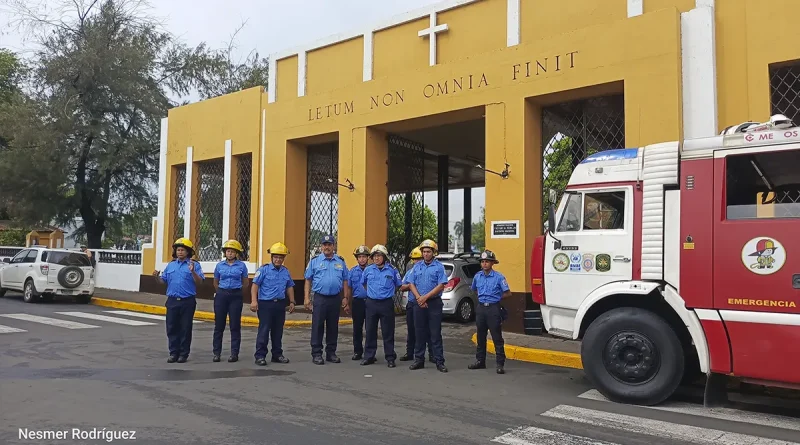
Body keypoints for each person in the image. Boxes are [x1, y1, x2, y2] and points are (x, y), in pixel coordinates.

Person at [152, 238, 204, 363]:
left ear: (188, 252)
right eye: (178, 250)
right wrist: (155, 277)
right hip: (172, 301)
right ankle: (173, 353)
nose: (180, 252)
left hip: (187, 301)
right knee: (171, 327)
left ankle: (183, 354)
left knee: (185, 328)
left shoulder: (194, 265)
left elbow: (200, 282)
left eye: (183, 250)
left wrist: (192, 272)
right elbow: (162, 281)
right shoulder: (171, 265)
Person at [304, 234, 350, 365]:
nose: (327, 247)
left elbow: (345, 280)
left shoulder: (340, 261)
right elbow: (308, 280)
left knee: (333, 326)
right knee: (317, 326)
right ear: (321, 246)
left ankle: (331, 353)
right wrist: (307, 298)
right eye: (325, 245)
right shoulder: (314, 261)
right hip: (320, 298)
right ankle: (317, 353)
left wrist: (345, 297)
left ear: (334, 246)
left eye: (329, 244)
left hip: (335, 298)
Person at [407, 239, 449, 372]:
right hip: (419, 303)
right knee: (419, 332)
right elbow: (411, 283)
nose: (425, 254)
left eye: (428, 252)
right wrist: (419, 298)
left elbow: (441, 285)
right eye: (424, 252)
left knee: (435, 333)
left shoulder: (439, 267)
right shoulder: (417, 267)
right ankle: (419, 360)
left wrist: (426, 297)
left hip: (434, 303)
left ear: (434, 253)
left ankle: (439, 361)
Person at [251, 242, 296, 366]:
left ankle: (277, 354)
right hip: (265, 304)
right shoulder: (263, 270)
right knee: (264, 330)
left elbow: (290, 286)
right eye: (276, 257)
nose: (278, 259)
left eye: (281, 257)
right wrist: (254, 301)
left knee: (278, 331)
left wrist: (292, 301)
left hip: (280, 304)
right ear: (271, 257)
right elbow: (255, 286)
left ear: (283, 259)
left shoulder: (285, 271)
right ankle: (260, 355)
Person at [468, 250, 511, 374]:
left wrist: (496, 298)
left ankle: (500, 364)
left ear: (492, 263)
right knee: (481, 336)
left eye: (487, 261)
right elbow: (474, 290)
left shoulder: (499, 277)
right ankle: (480, 361)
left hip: (493, 308)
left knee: (497, 337)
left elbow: (508, 293)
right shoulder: (477, 276)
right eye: (482, 262)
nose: (484, 264)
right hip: (481, 308)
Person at [360, 244, 402, 367]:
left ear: (384, 257)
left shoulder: (392, 270)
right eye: (374, 256)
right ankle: (369, 356)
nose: (376, 258)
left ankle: (390, 357)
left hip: (386, 303)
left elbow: (398, 284)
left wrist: (386, 293)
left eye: (379, 256)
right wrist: (372, 293)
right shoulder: (368, 270)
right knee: (370, 330)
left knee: (388, 331)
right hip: (371, 303)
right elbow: (364, 284)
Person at [212, 239, 248, 363]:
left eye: (232, 252)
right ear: (225, 253)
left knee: (235, 326)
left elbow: (245, 282)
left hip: (236, 296)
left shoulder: (242, 266)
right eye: (228, 251)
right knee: (219, 325)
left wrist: (237, 293)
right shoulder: (219, 265)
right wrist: (222, 291)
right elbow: (216, 281)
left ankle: (234, 353)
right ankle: (217, 353)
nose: (230, 254)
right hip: (222, 295)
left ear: (236, 253)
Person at [399, 247, 433, 363]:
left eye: (418, 259)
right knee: (412, 330)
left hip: (426, 303)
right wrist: (411, 286)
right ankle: (410, 353)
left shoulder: (427, 270)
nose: (416, 262)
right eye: (414, 259)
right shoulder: (410, 272)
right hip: (412, 303)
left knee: (428, 330)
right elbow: (402, 287)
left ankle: (432, 355)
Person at [347, 245, 371, 360]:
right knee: (357, 328)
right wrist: (347, 302)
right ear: (357, 259)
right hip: (358, 302)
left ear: (368, 258)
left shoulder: (372, 270)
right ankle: (357, 351)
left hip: (371, 302)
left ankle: (370, 352)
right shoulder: (352, 271)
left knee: (370, 328)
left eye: (364, 257)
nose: (362, 259)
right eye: (360, 257)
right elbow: (349, 288)